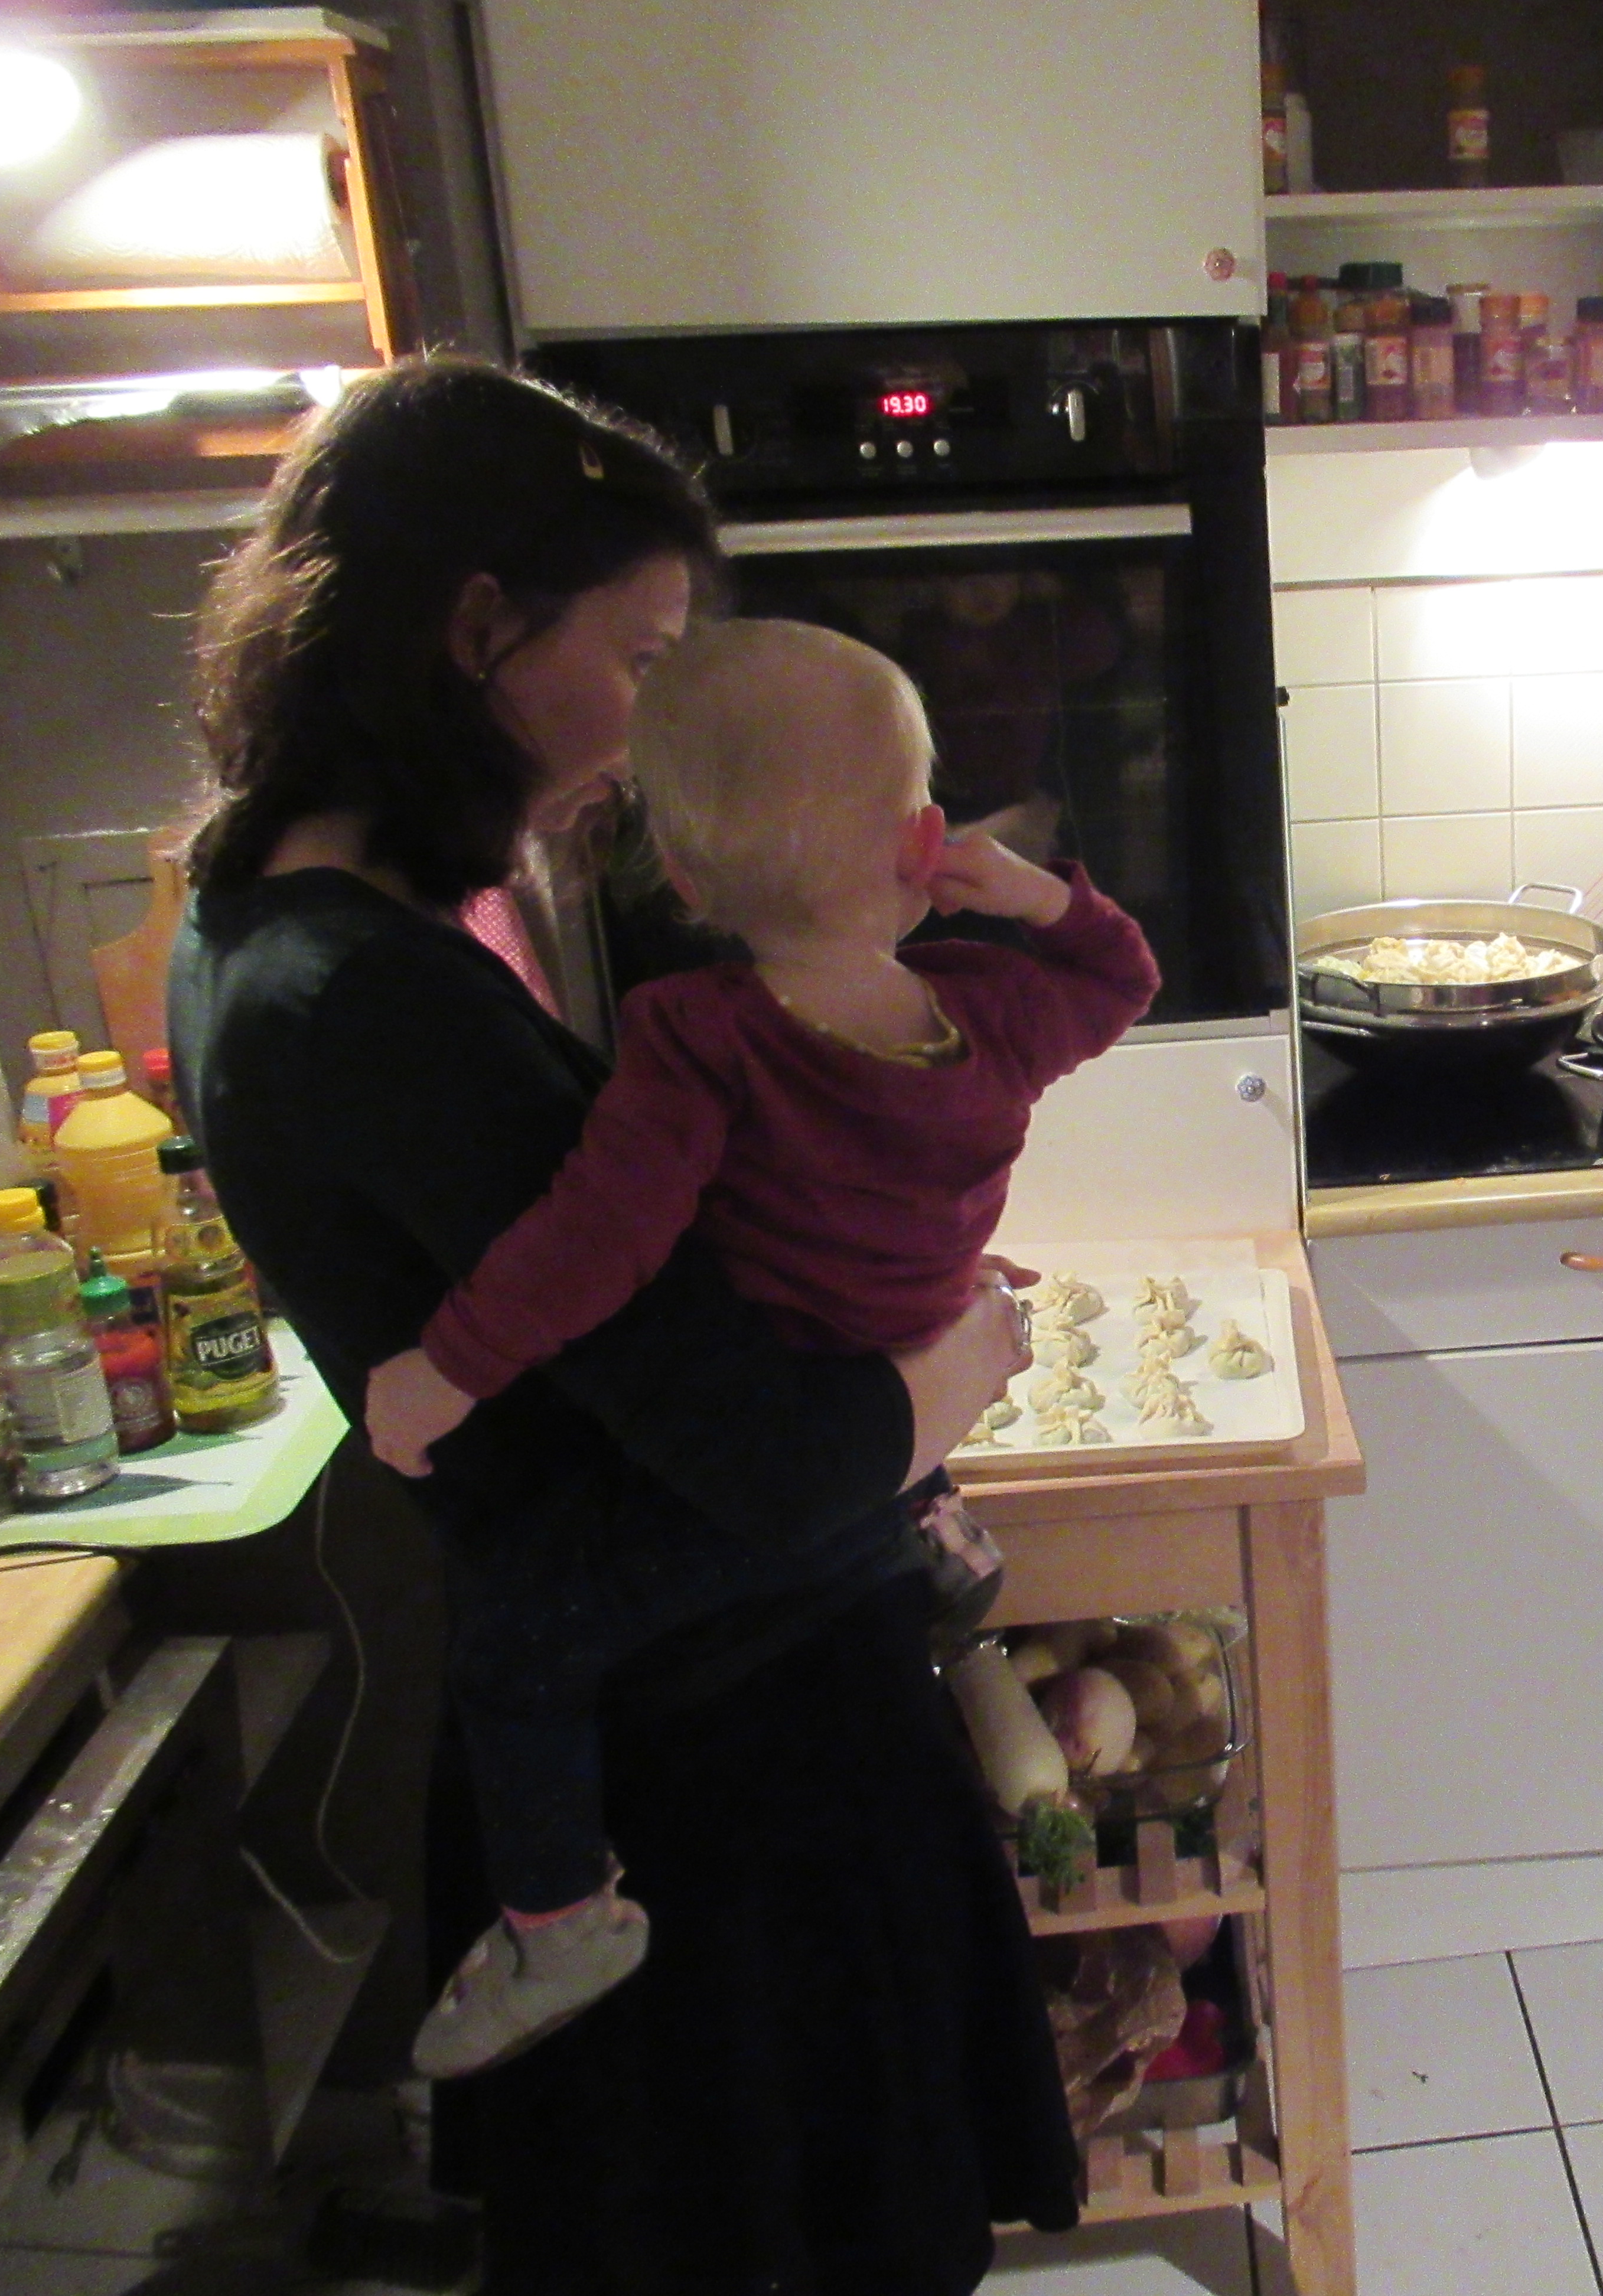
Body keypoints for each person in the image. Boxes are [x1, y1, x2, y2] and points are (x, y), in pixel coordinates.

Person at [167, 357, 1083, 2289]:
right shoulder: (367, 997)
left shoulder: (267, 923)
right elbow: (763, 1453)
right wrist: (952, 1372)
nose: (660, 727)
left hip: (675, 1750)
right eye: (644, 656)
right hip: (713, 1807)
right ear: (479, 629)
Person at [363, 618, 1159, 2075]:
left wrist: (448, 1367)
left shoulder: (698, 1036)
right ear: (924, 843)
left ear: (682, 880)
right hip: (905, 1401)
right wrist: (1037, 893)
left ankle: (559, 1922)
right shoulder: (989, 1016)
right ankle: (932, 1537)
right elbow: (1123, 981)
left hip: (786, 1459)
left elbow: (591, 1244)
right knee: (848, 1490)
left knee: (517, 1641)